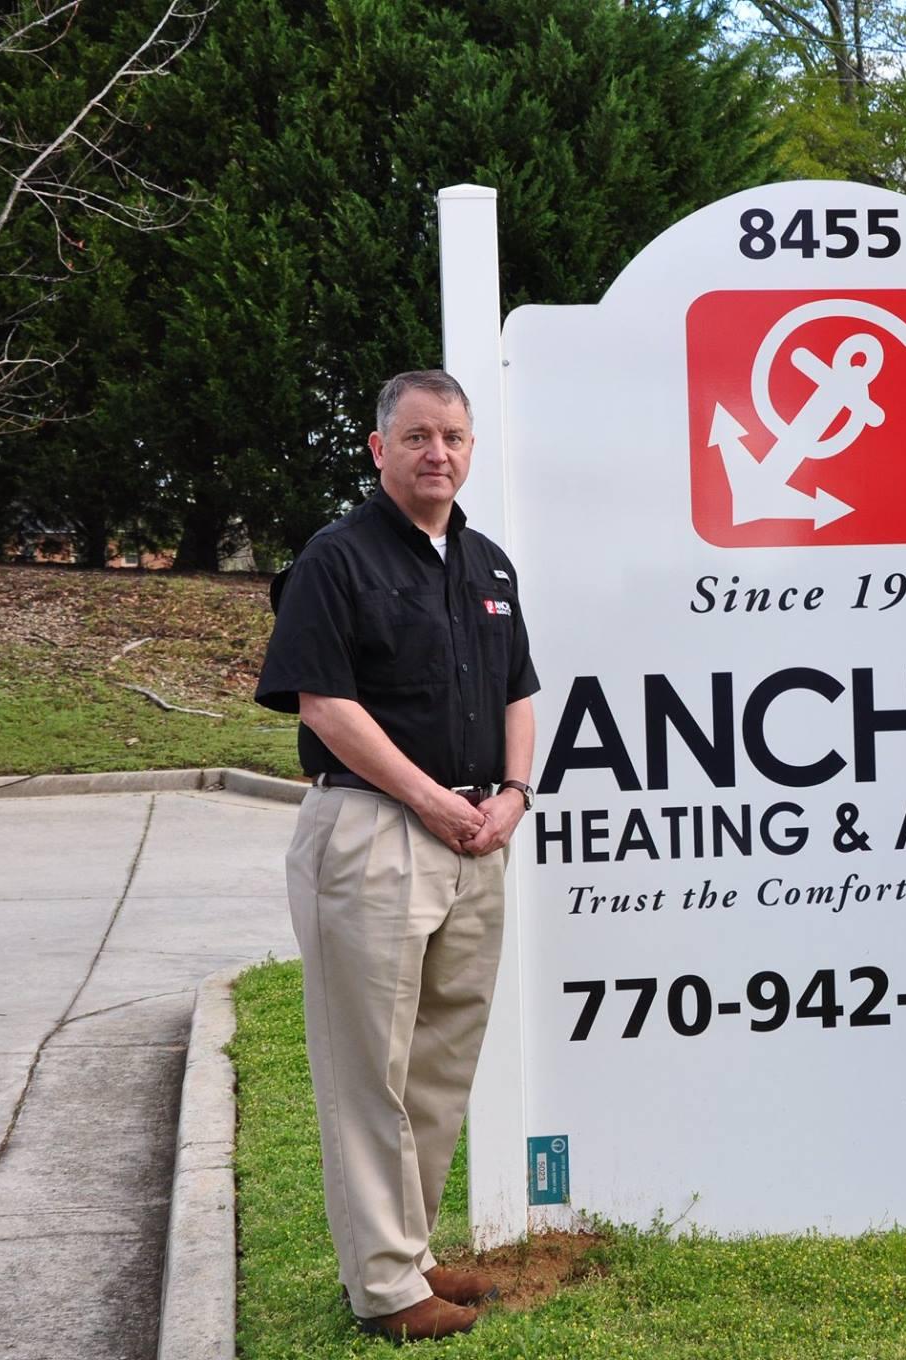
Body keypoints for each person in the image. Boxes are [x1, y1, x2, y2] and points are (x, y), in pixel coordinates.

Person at [256, 370, 539, 1341]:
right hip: (375, 832)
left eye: (453, 436)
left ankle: (407, 1251)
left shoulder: (490, 567)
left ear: (470, 447)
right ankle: (382, 1286)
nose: (438, 453)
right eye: (416, 436)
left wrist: (513, 795)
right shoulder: (334, 560)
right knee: (366, 1066)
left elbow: (518, 693)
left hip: (477, 835)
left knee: (438, 1060)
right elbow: (323, 705)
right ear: (379, 449)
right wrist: (430, 802)